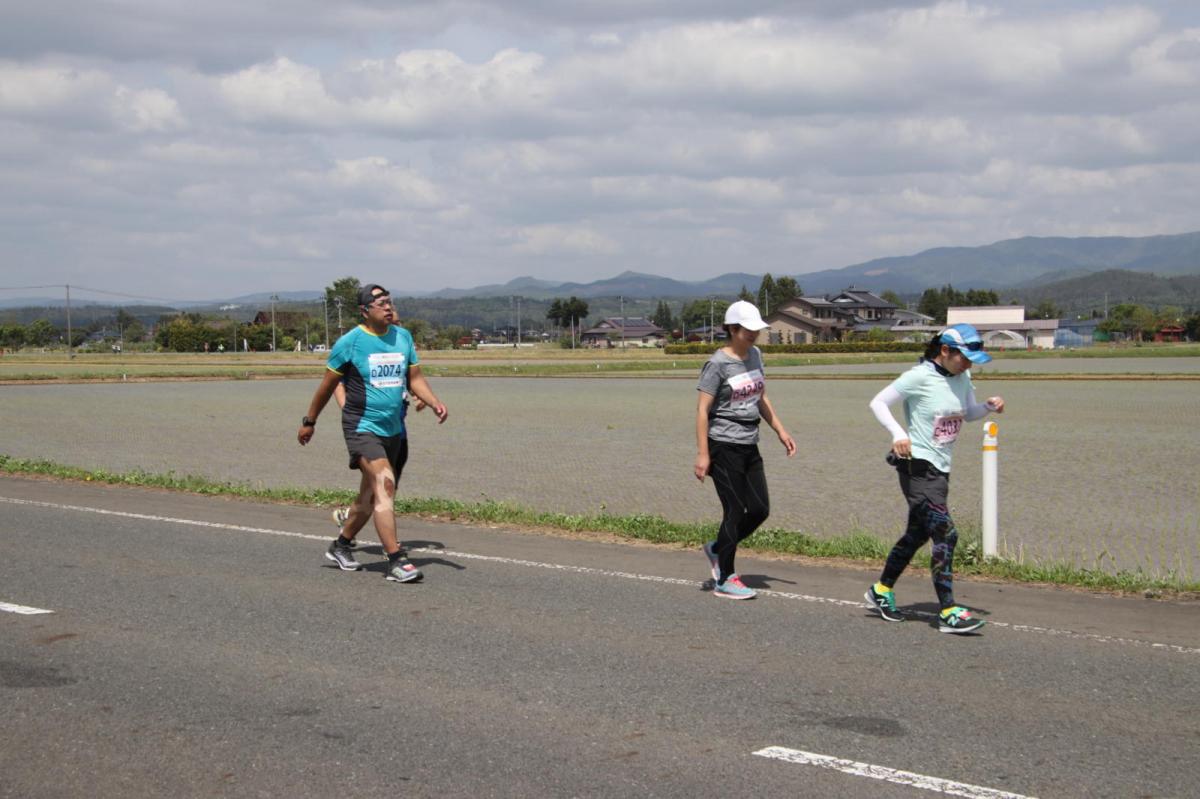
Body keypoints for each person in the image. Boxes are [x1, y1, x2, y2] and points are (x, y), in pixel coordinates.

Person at [297, 283, 448, 584]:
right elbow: (327, 386)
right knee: (384, 484)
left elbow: (415, 377)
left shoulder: (402, 337)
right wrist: (310, 421)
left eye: (390, 301)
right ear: (365, 311)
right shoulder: (351, 342)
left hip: (393, 430)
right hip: (361, 427)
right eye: (381, 303)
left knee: (370, 496)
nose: (388, 307)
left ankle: (341, 545)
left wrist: (433, 402)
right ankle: (396, 560)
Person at [864, 323, 1005, 633]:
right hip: (917, 467)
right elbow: (878, 402)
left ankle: (881, 590)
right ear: (944, 351)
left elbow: (967, 413)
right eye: (964, 358)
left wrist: (987, 407)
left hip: (940, 470)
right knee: (946, 533)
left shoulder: (962, 377)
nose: (968, 365)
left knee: (917, 535)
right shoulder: (919, 376)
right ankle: (948, 611)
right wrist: (898, 433)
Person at [694, 300, 796, 599]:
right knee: (735, 510)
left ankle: (718, 548)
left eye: (756, 329)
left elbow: (760, 397)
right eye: (747, 329)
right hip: (723, 444)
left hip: (750, 442)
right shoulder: (717, 364)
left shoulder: (756, 355)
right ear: (732, 329)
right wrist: (703, 454)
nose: (753, 334)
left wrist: (780, 430)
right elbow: (702, 411)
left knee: (760, 509)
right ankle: (725, 578)